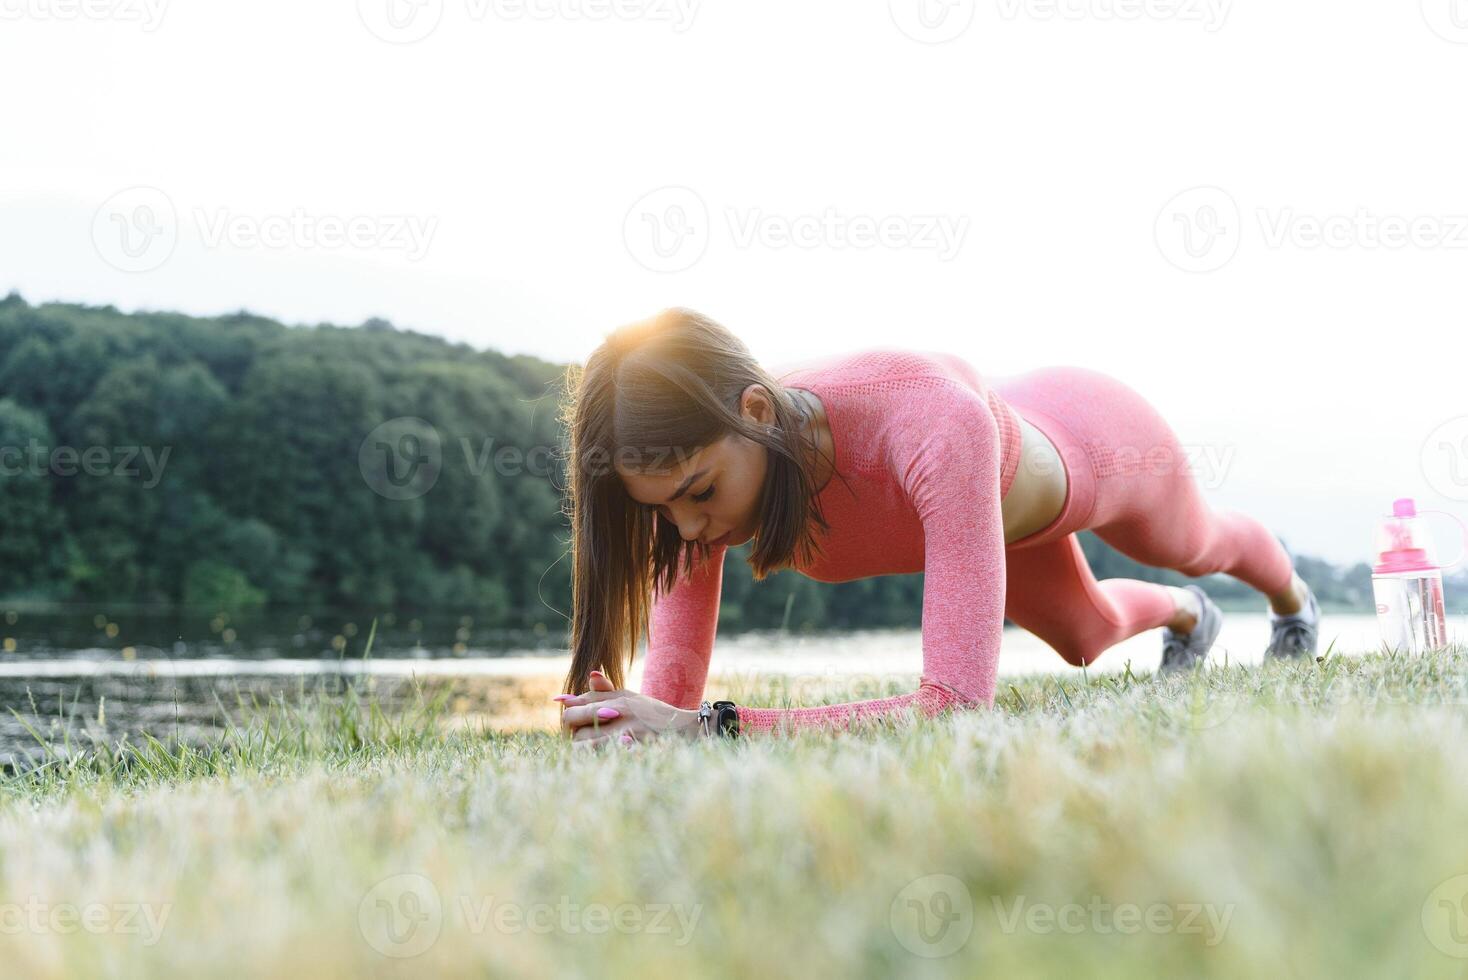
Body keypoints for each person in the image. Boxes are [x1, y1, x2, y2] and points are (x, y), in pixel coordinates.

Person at [554, 309, 1321, 747]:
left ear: (756, 413)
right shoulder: (706, 476)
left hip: (1096, 437)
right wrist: (633, 728)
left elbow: (954, 706)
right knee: (1087, 638)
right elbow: (666, 705)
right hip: (980, 511)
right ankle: (1189, 612)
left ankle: (1293, 603)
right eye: (661, 510)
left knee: (1197, 544)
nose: (686, 529)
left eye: (697, 493)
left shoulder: (928, 424)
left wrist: (709, 729)